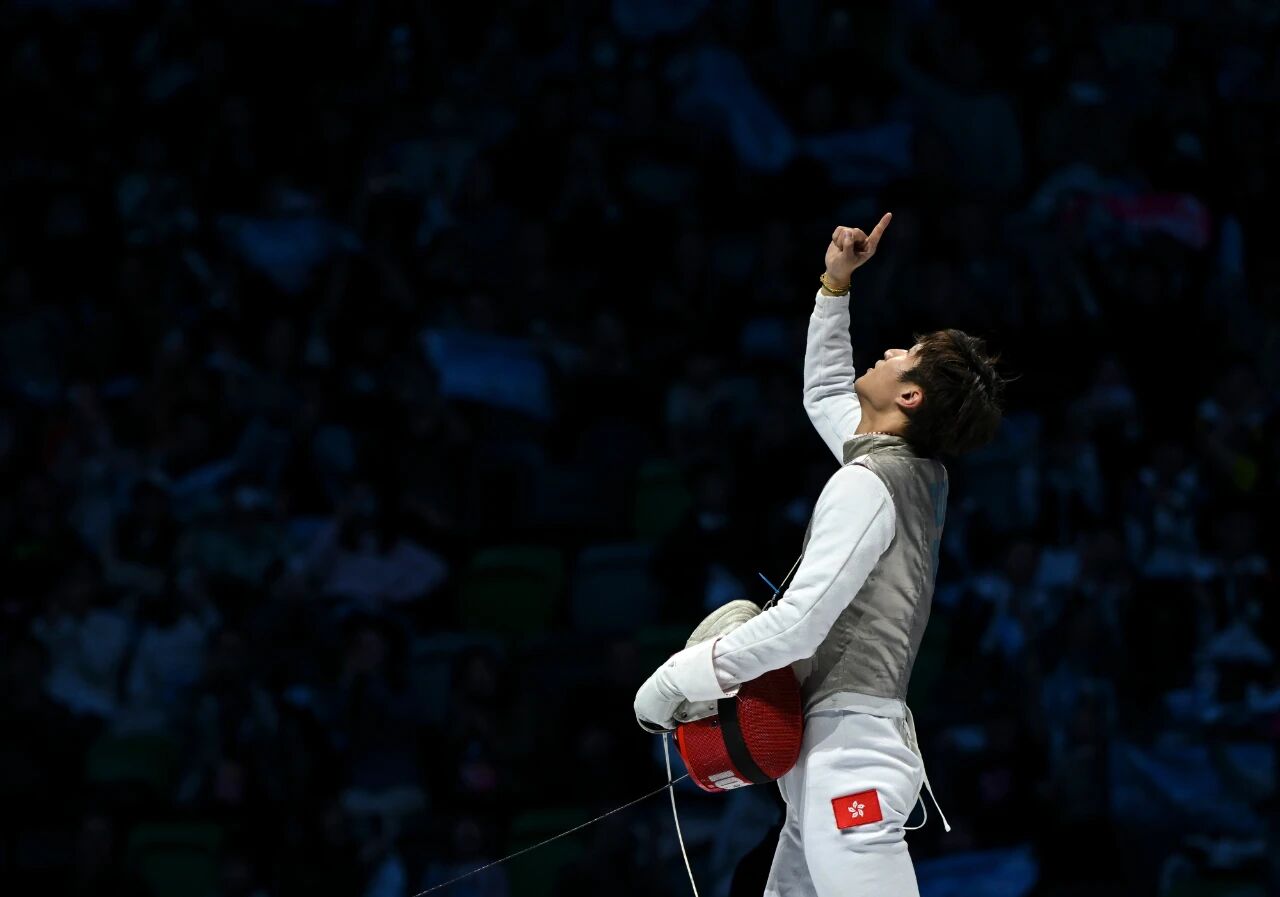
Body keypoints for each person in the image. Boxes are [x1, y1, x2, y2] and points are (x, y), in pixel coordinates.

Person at [634, 212, 1008, 895]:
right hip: (831, 756)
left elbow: (799, 625)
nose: (889, 349)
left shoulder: (869, 484)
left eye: (905, 354)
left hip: (850, 760)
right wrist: (835, 287)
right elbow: (827, 394)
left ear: (910, 395)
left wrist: (676, 679)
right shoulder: (912, 470)